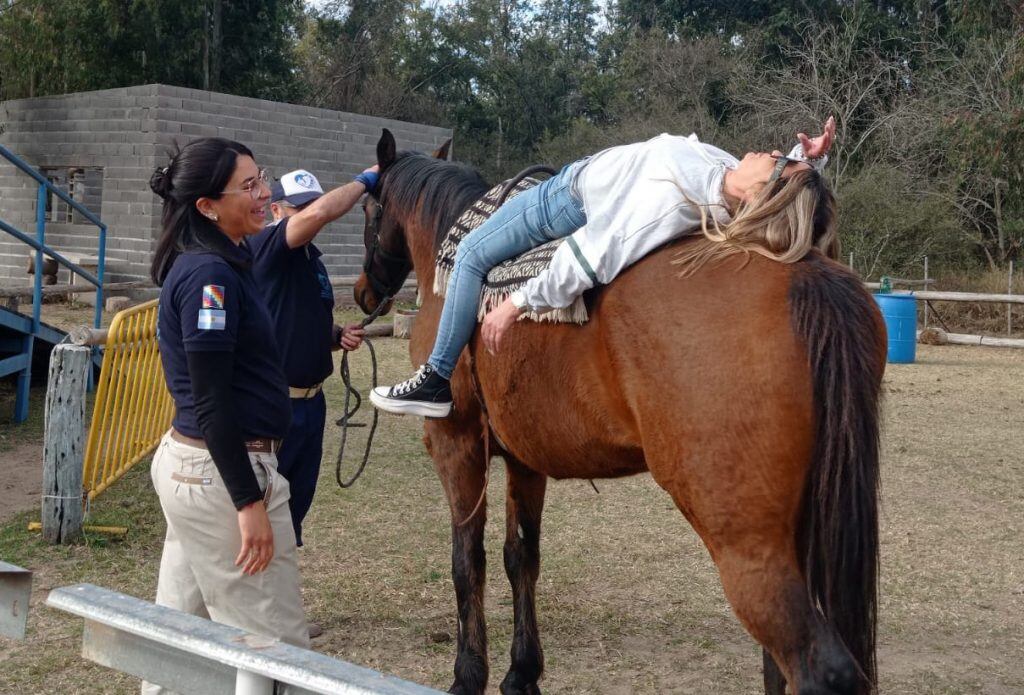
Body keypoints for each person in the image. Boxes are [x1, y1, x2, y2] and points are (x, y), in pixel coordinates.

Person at [370, 118, 838, 418]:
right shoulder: (725, 172)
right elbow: (776, 188)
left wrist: (515, 303)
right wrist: (805, 159)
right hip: (579, 179)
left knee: (471, 252)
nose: (773, 153)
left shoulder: (670, 202)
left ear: (759, 195)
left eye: (780, 163)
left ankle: (435, 379)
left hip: (565, 198)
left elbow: (589, 255)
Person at [144, 138, 307, 695]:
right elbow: (212, 401)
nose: (266, 194)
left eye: (263, 178)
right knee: (275, 650)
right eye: (250, 186)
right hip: (222, 473)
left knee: (179, 638)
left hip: (197, 470)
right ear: (207, 207)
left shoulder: (224, 264)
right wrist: (247, 501)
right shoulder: (209, 275)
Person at [249, 168, 373, 556]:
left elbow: (299, 320)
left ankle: (277, 598)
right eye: (298, 208)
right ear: (275, 210)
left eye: (311, 205)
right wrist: (366, 179)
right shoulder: (267, 244)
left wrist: (335, 337)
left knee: (293, 508)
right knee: (262, 505)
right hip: (273, 403)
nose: (309, 215)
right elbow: (320, 215)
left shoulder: (313, 262)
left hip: (312, 404)